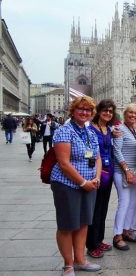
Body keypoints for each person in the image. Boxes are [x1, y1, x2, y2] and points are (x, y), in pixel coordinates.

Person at [50, 96, 102, 275]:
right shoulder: (65, 131)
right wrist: (82, 182)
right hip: (67, 185)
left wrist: (96, 178)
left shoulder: (89, 132)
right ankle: (68, 265)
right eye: (81, 108)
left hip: (89, 184)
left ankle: (80, 260)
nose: (84, 112)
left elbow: (97, 157)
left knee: (83, 223)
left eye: (88, 110)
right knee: (67, 224)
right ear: (73, 110)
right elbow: (63, 163)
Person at [86, 99, 117, 258]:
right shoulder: (90, 129)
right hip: (95, 173)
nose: (108, 113)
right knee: (94, 209)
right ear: (98, 111)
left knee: (103, 208)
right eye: (105, 110)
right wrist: (92, 161)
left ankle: (99, 240)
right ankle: (91, 244)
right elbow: (87, 151)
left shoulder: (109, 129)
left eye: (110, 111)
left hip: (108, 173)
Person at [112, 104, 136, 251]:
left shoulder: (135, 129)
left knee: (132, 203)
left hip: (135, 171)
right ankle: (117, 235)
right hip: (122, 171)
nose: (133, 115)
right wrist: (126, 170)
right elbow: (117, 151)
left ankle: (126, 230)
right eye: (130, 113)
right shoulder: (120, 130)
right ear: (125, 114)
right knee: (124, 202)